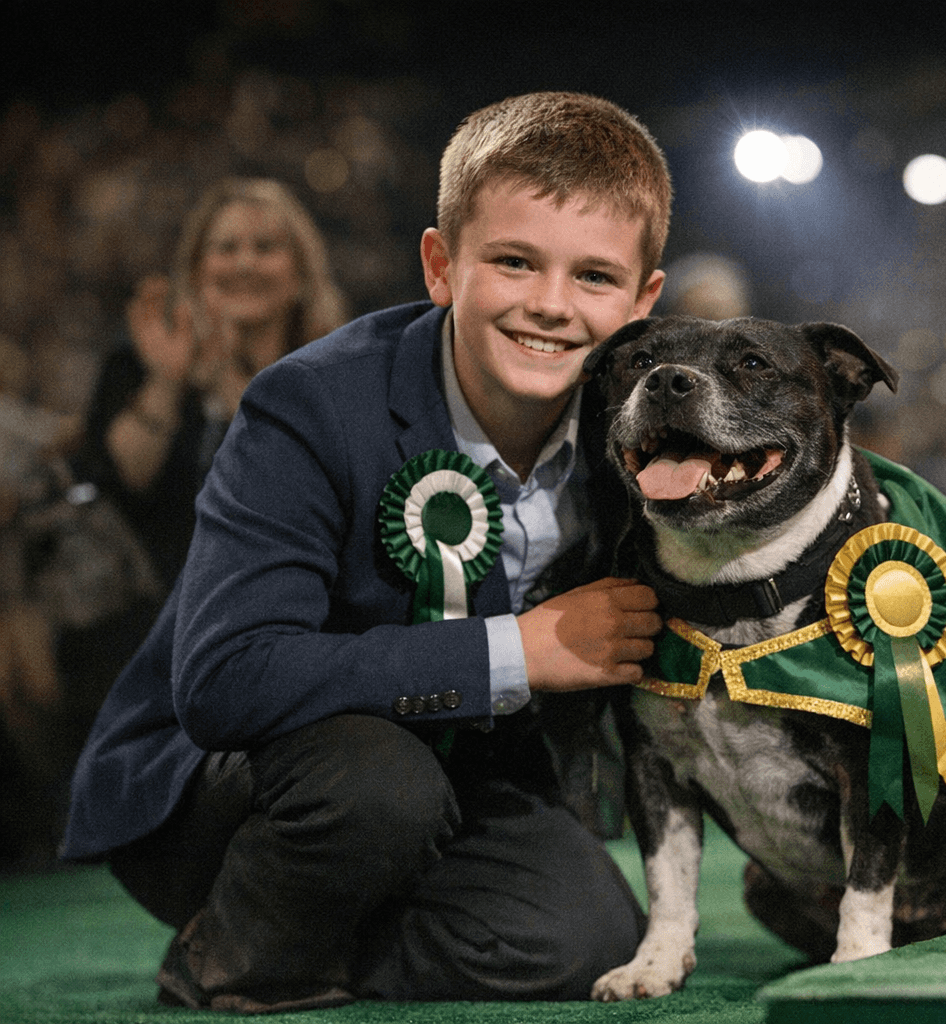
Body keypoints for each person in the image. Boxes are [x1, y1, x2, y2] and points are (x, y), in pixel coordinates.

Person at [62, 92, 669, 1012]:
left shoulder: (632, 431)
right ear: (439, 266)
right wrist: (520, 652)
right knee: (377, 789)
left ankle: (327, 947)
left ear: (642, 302)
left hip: (448, 776)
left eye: (594, 277)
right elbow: (227, 676)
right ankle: (233, 950)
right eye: (512, 261)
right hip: (221, 791)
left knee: (585, 940)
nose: (551, 305)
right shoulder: (306, 406)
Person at [75, 177, 349, 589]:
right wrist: (167, 382)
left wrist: (228, 384)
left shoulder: (335, 378)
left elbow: (313, 493)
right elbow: (121, 480)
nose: (244, 263)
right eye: (226, 248)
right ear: (196, 269)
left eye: (265, 248)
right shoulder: (135, 365)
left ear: (301, 276)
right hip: (152, 620)